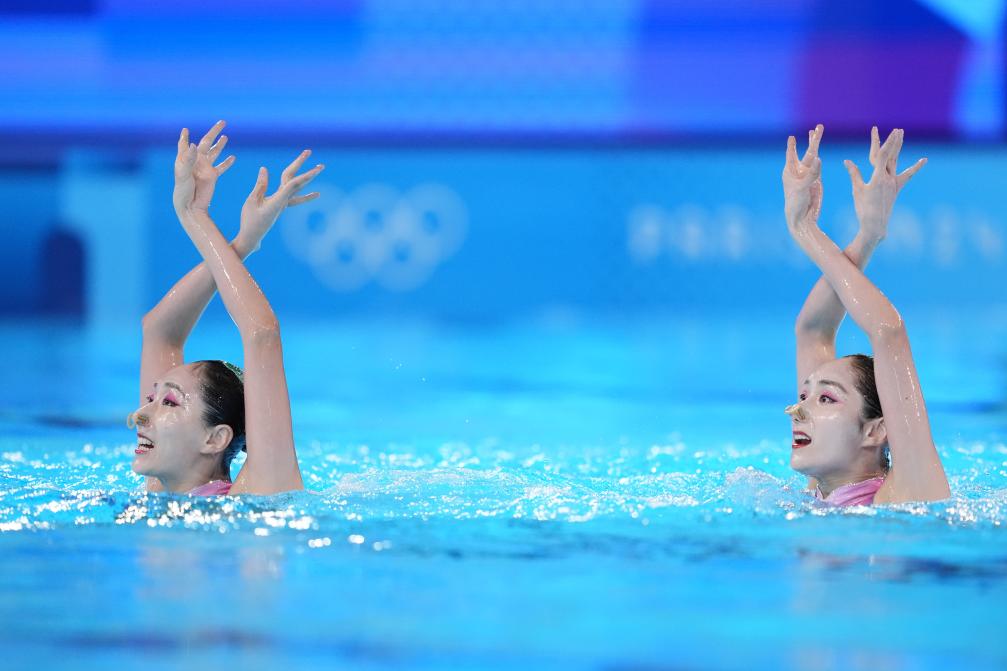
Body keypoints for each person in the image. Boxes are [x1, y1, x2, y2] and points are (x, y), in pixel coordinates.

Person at [128, 121, 323, 495]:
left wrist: (194, 216)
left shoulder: (260, 490)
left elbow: (261, 334)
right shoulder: (161, 484)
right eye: (153, 399)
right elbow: (159, 331)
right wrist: (243, 243)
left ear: (215, 439)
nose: (140, 414)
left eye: (169, 402)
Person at [783, 124, 950, 505]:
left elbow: (887, 331)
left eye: (826, 399)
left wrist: (804, 229)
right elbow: (812, 331)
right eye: (806, 395)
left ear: (874, 431)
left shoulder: (908, 492)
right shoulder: (818, 490)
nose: (797, 410)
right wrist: (868, 235)